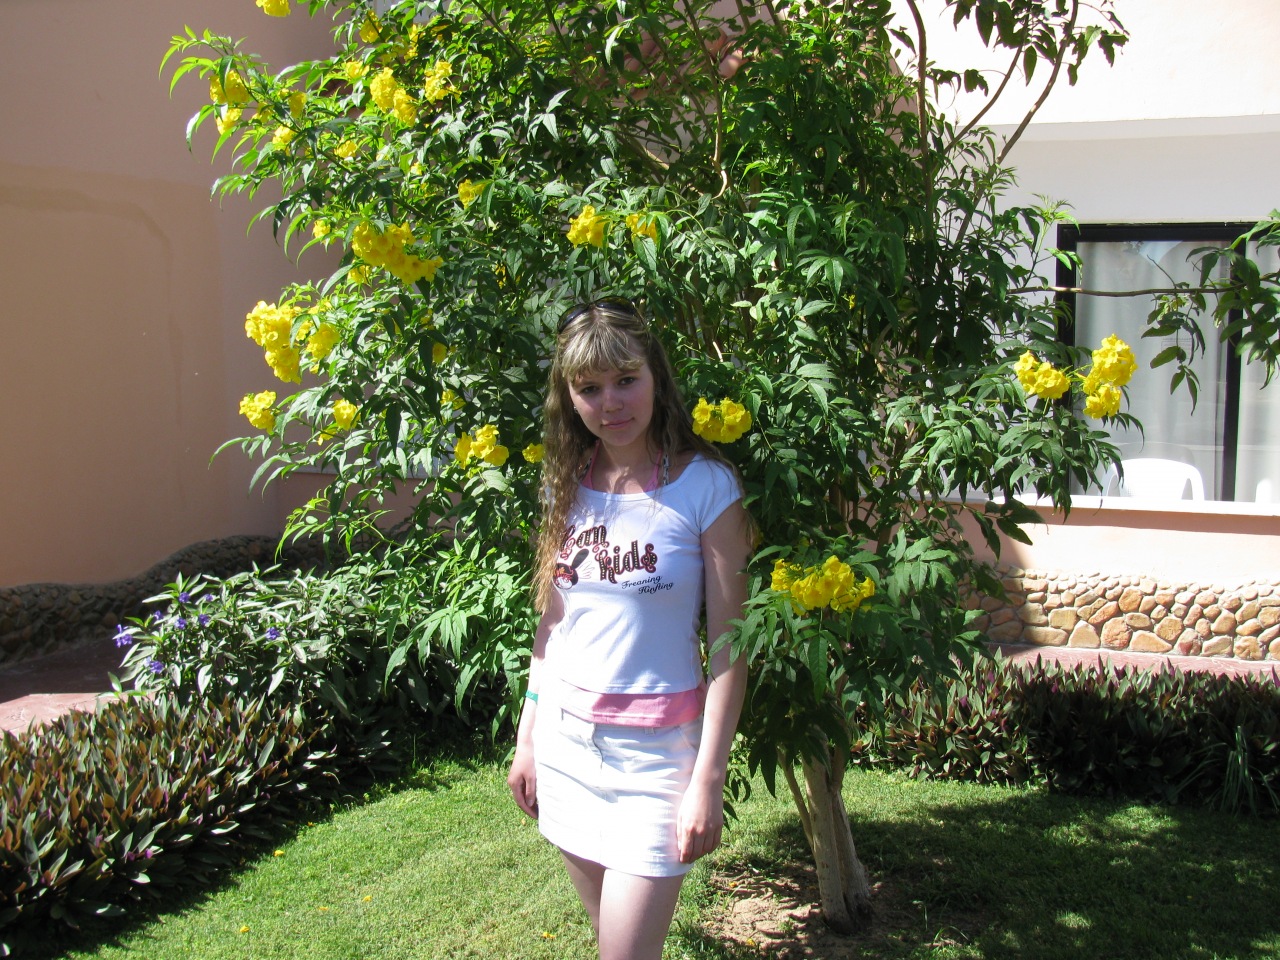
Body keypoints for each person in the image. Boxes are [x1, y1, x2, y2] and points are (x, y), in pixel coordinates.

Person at [507, 297, 752, 960]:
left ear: (656, 377)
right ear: (569, 398)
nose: (610, 402)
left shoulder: (706, 487)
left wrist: (708, 778)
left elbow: (731, 649)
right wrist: (528, 738)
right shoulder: (566, 482)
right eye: (589, 388)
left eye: (626, 379)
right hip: (565, 748)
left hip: (656, 763)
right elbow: (552, 625)